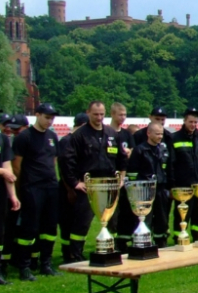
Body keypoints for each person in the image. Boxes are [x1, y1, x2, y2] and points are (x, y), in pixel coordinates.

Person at [61, 101, 128, 262]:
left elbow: (122, 158)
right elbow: (66, 161)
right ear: (88, 113)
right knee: (82, 222)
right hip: (89, 186)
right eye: (95, 114)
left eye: (101, 114)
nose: (99, 117)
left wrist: (122, 177)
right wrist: (74, 183)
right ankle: (75, 255)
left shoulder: (112, 133)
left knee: (113, 220)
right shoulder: (79, 135)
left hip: (109, 184)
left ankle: (112, 249)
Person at [12, 103, 62, 280]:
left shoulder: (52, 136)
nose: (50, 121)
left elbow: (53, 160)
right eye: (47, 117)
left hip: (51, 186)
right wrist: (25, 184)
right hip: (32, 187)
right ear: (37, 115)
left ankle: (46, 264)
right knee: (29, 227)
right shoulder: (24, 137)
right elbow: (16, 164)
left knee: (49, 227)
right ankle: (24, 266)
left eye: (52, 118)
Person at [125, 123, 173, 247]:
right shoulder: (140, 150)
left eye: (161, 134)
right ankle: (143, 242)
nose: (160, 136)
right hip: (145, 188)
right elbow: (132, 171)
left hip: (161, 187)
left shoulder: (163, 149)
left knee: (162, 217)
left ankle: (161, 242)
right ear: (149, 133)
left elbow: (168, 168)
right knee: (146, 217)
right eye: (157, 134)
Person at [170, 108, 198, 243]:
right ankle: (179, 238)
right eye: (190, 122)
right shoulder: (174, 138)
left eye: (195, 122)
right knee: (181, 215)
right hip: (183, 185)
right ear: (184, 121)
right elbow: (171, 163)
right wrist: (172, 185)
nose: (193, 125)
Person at [57, 113, 90, 262]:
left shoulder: (79, 140)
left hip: (79, 187)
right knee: (68, 222)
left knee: (78, 222)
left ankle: (74, 252)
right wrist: (70, 189)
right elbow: (64, 168)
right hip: (69, 188)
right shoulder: (67, 140)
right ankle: (68, 254)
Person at [109, 102, 136, 253]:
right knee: (112, 213)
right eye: (120, 114)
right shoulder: (106, 132)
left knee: (126, 211)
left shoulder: (126, 134)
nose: (123, 118)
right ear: (112, 114)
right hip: (110, 176)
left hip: (124, 178)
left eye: (125, 115)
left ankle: (123, 242)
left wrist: (128, 152)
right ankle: (111, 242)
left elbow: (133, 151)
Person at [0, 123, 20, 285]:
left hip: (0, 193)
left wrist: (13, 195)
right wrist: (1, 172)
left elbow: (8, 169)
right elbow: (4, 171)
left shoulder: (2, 139)